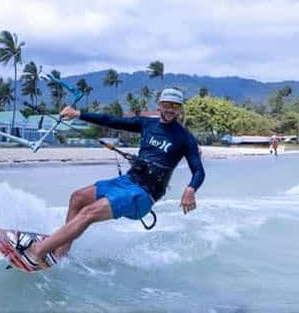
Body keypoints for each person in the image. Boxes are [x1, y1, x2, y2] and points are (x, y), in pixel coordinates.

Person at [13, 87, 205, 270]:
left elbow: (198, 171)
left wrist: (190, 189)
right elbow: (111, 120)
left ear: (180, 109)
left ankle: (38, 251)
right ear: (159, 105)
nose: (170, 109)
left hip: (144, 195)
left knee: (89, 212)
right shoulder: (148, 124)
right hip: (127, 182)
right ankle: (61, 252)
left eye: (175, 106)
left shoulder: (184, 138)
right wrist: (78, 114)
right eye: (167, 104)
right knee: (78, 198)